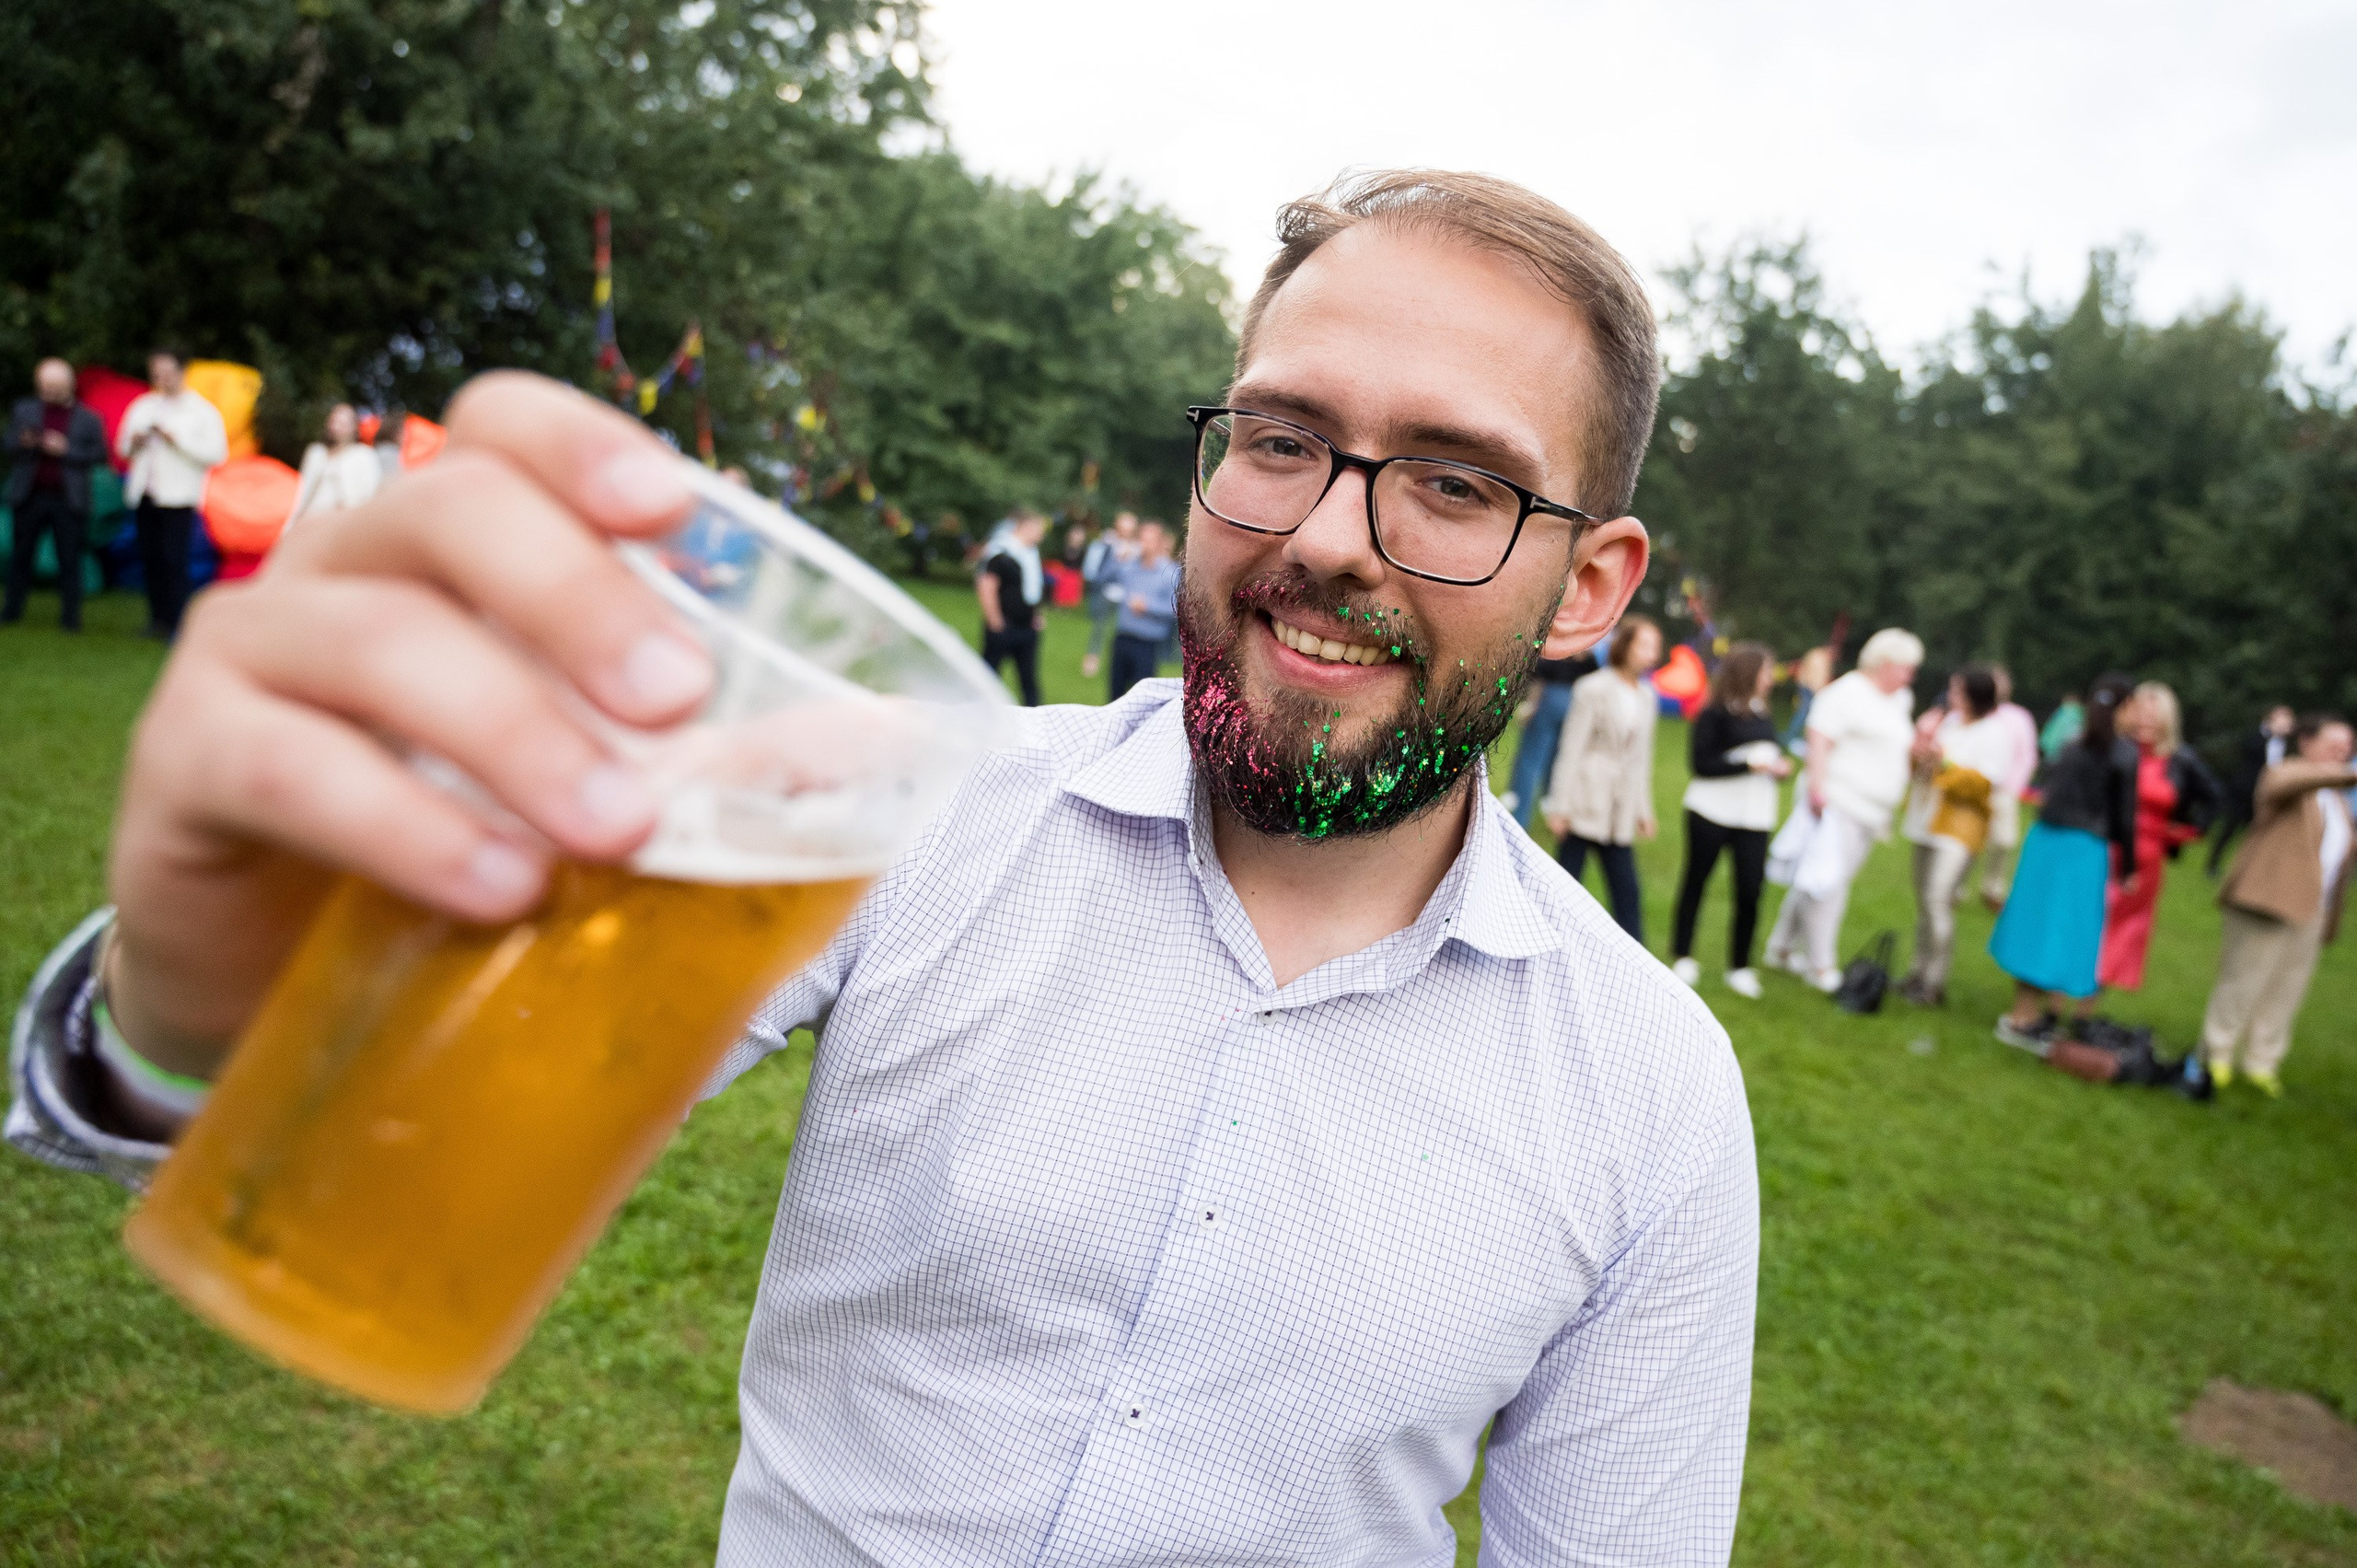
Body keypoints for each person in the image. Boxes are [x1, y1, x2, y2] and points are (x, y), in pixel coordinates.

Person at [8, 170, 1757, 1564]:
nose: (1318, 535)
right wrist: (193, 1002)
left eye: (1453, 482)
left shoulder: (1652, 1095)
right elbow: (363, 1115)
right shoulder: (909, 799)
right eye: (1283, 437)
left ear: (1592, 586)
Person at [2198, 714, 2357, 1096]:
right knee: (2243, 980)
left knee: (2287, 990)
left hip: (2313, 909)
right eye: (2333, 744)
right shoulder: (2285, 774)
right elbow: (2293, 783)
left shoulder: (2337, 801)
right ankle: (2216, 1052)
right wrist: (2346, 774)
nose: (2342, 752)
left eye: (2348, 746)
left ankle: (2261, 1061)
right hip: (2265, 900)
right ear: (2305, 741)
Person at [1762, 628, 1922, 992]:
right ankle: (1821, 965)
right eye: (1905, 668)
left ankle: (1781, 947)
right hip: (1838, 801)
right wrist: (1818, 790)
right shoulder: (1846, 692)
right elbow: (1819, 740)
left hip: (1872, 809)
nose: (1909, 676)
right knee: (1829, 885)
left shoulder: (1900, 700)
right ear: (1883, 663)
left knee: (1818, 878)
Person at [1990, 674, 2139, 1051]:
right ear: (2124, 708)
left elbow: (2047, 789)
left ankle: (2023, 1011)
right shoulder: (2123, 753)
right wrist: (2129, 867)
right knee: (2060, 931)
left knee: (2035, 924)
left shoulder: (2073, 744)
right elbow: (2124, 816)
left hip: (2045, 841)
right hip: (2082, 849)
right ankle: (2022, 1021)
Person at [1670, 640, 1790, 998]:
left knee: (1750, 891)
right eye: (1767, 670)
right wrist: (1748, 765)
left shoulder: (1763, 712)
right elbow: (1702, 764)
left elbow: (1767, 752)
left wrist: (1779, 768)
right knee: (1697, 881)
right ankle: (1684, 955)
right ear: (1749, 672)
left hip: (1754, 817)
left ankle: (1740, 966)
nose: (1771, 678)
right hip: (1711, 811)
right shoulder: (1715, 713)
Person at [1541, 615, 1660, 941]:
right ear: (1626, 645)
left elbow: (1641, 759)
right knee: (1564, 888)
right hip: (1584, 800)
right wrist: (1559, 806)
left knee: (1627, 892)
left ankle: (1634, 964)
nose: (1653, 653)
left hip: (1618, 810)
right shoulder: (1593, 688)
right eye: (1645, 645)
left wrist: (1643, 811)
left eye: (1656, 647)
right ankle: (1548, 946)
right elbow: (1571, 749)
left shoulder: (1648, 697)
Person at [1896, 666, 2008, 1005]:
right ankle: (1917, 972)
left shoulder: (1993, 733)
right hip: (1927, 819)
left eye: (1958, 690)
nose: (1952, 696)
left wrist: (1942, 762)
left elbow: (1985, 784)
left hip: (1959, 827)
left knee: (1938, 899)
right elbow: (1923, 770)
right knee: (1924, 902)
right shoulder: (1949, 723)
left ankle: (1934, 981)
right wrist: (1919, 750)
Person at [2093, 682, 2206, 995]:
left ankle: (2091, 1000)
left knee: (2123, 929)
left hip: (2147, 855)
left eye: (2154, 715)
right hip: (2106, 844)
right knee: (2092, 918)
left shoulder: (2180, 760)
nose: (2146, 721)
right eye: (2140, 712)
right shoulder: (2113, 749)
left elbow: (2216, 799)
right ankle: (2063, 989)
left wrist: (2185, 832)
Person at [116, 346, 227, 639]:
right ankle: (158, 619)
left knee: (174, 560)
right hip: (145, 494)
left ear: (182, 371)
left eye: (166, 372)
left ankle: (180, 622)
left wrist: (175, 440)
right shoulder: (143, 405)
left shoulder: (201, 410)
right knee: (150, 558)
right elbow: (122, 448)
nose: (161, 378)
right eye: (156, 373)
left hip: (178, 498)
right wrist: (137, 440)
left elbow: (217, 454)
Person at [4, 358, 109, 632]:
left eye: (54, 387)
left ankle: (71, 617)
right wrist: (24, 442)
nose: (48, 393)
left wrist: (66, 449)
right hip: (30, 495)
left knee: (70, 557)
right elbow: (8, 443)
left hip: (68, 499)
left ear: (69, 386)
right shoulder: (24, 409)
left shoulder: (88, 418)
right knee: (21, 555)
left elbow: (100, 455)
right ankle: (12, 611)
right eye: (44, 387)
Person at [1497, 610, 1596, 828]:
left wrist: (1531, 705)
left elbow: (1538, 673)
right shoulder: (1587, 649)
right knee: (1561, 758)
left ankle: (1521, 816)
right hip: (1575, 701)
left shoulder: (1556, 642)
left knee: (1531, 759)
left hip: (1550, 698)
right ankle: (1554, 807)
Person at [1975, 665, 2041, 910]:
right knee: (1969, 839)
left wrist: (2015, 786)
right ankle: (1955, 886)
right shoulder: (1975, 712)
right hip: (1974, 786)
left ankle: (1993, 887)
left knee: (2003, 840)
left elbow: (2026, 755)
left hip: (2004, 789)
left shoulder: (2018, 717)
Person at [2207, 704, 2294, 877]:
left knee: (2254, 835)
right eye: (2281, 720)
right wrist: (2269, 732)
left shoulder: (2286, 745)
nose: (2284, 725)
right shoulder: (2258, 736)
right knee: (2229, 829)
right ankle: (2212, 864)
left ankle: (2244, 870)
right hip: (2244, 792)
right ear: (2270, 719)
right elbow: (2247, 749)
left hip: (2264, 795)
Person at [976, 507, 1048, 706]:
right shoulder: (1001, 551)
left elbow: (1031, 588)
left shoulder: (1030, 553)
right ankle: (980, 716)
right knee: (988, 676)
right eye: (1039, 529)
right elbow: (986, 585)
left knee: (1028, 679)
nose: (1042, 534)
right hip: (1004, 624)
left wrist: (1035, 614)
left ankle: (1034, 719)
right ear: (1027, 527)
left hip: (1026, 627)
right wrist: (994, 619)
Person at [1104, 517, 1179, 702]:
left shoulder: (1169, 572)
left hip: (1147, 644)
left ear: (1159, 543)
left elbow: (1175, 609)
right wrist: (1116, 560)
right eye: (1141, 539)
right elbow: (1103, 579)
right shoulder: (1129, 566)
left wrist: (1148, 607)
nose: (1144, 544)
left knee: (1141, 699)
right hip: (1122, 637)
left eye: (1149, 540)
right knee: (1115, 696)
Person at [288, 403, 384, 525]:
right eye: (334, 421)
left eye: (343, 423)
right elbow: (302, 494)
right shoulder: (316, 453)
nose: (337, 427)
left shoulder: (363, 456)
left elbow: (369, 497)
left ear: (354, 427)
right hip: (309, 524)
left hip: (341, 527)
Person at [1078, 509, 1139, 678]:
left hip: (1127, 597)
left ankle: (1117, 664)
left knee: (1121, 632)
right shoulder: (1107, 544)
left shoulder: (1137, 547)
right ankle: (1092, 661)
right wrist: (1118, 561)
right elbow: (1097, 574)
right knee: (1099, 628)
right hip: (1107, 593)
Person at [2038, 692, 2084, 762]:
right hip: (2077, 756)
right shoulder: (2083, 714)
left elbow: (2047, 736)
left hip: (2054, 756)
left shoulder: (2061, 713)